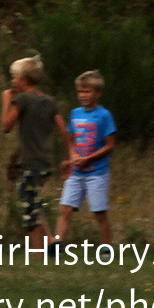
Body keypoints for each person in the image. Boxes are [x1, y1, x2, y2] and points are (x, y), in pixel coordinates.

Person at [0, 55, 70, 248]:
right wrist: (68, 157)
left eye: (14, 78)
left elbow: (6, 126)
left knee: (29, 212)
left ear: (23, 80)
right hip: (44, 162)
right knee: (34, 202)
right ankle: (51, 241)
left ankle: (39, 255)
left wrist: (6, 100)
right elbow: (64, 130)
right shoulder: (49, 101)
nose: (12, 81)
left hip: (29, 163)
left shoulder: (22, 99)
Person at [55, 69, 117, 248]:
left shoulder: (104, 115)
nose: (82, 95)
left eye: (87, 91)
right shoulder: (75, 114)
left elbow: (110, 145)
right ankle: (57, 244)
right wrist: (71, 157)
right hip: (76, 172)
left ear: (98, 93)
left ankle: (106, 247)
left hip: (96, 173)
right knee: (65, 209)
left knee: (99, 213)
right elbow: (71, 139)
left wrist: (89, 158)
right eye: (80, 91)